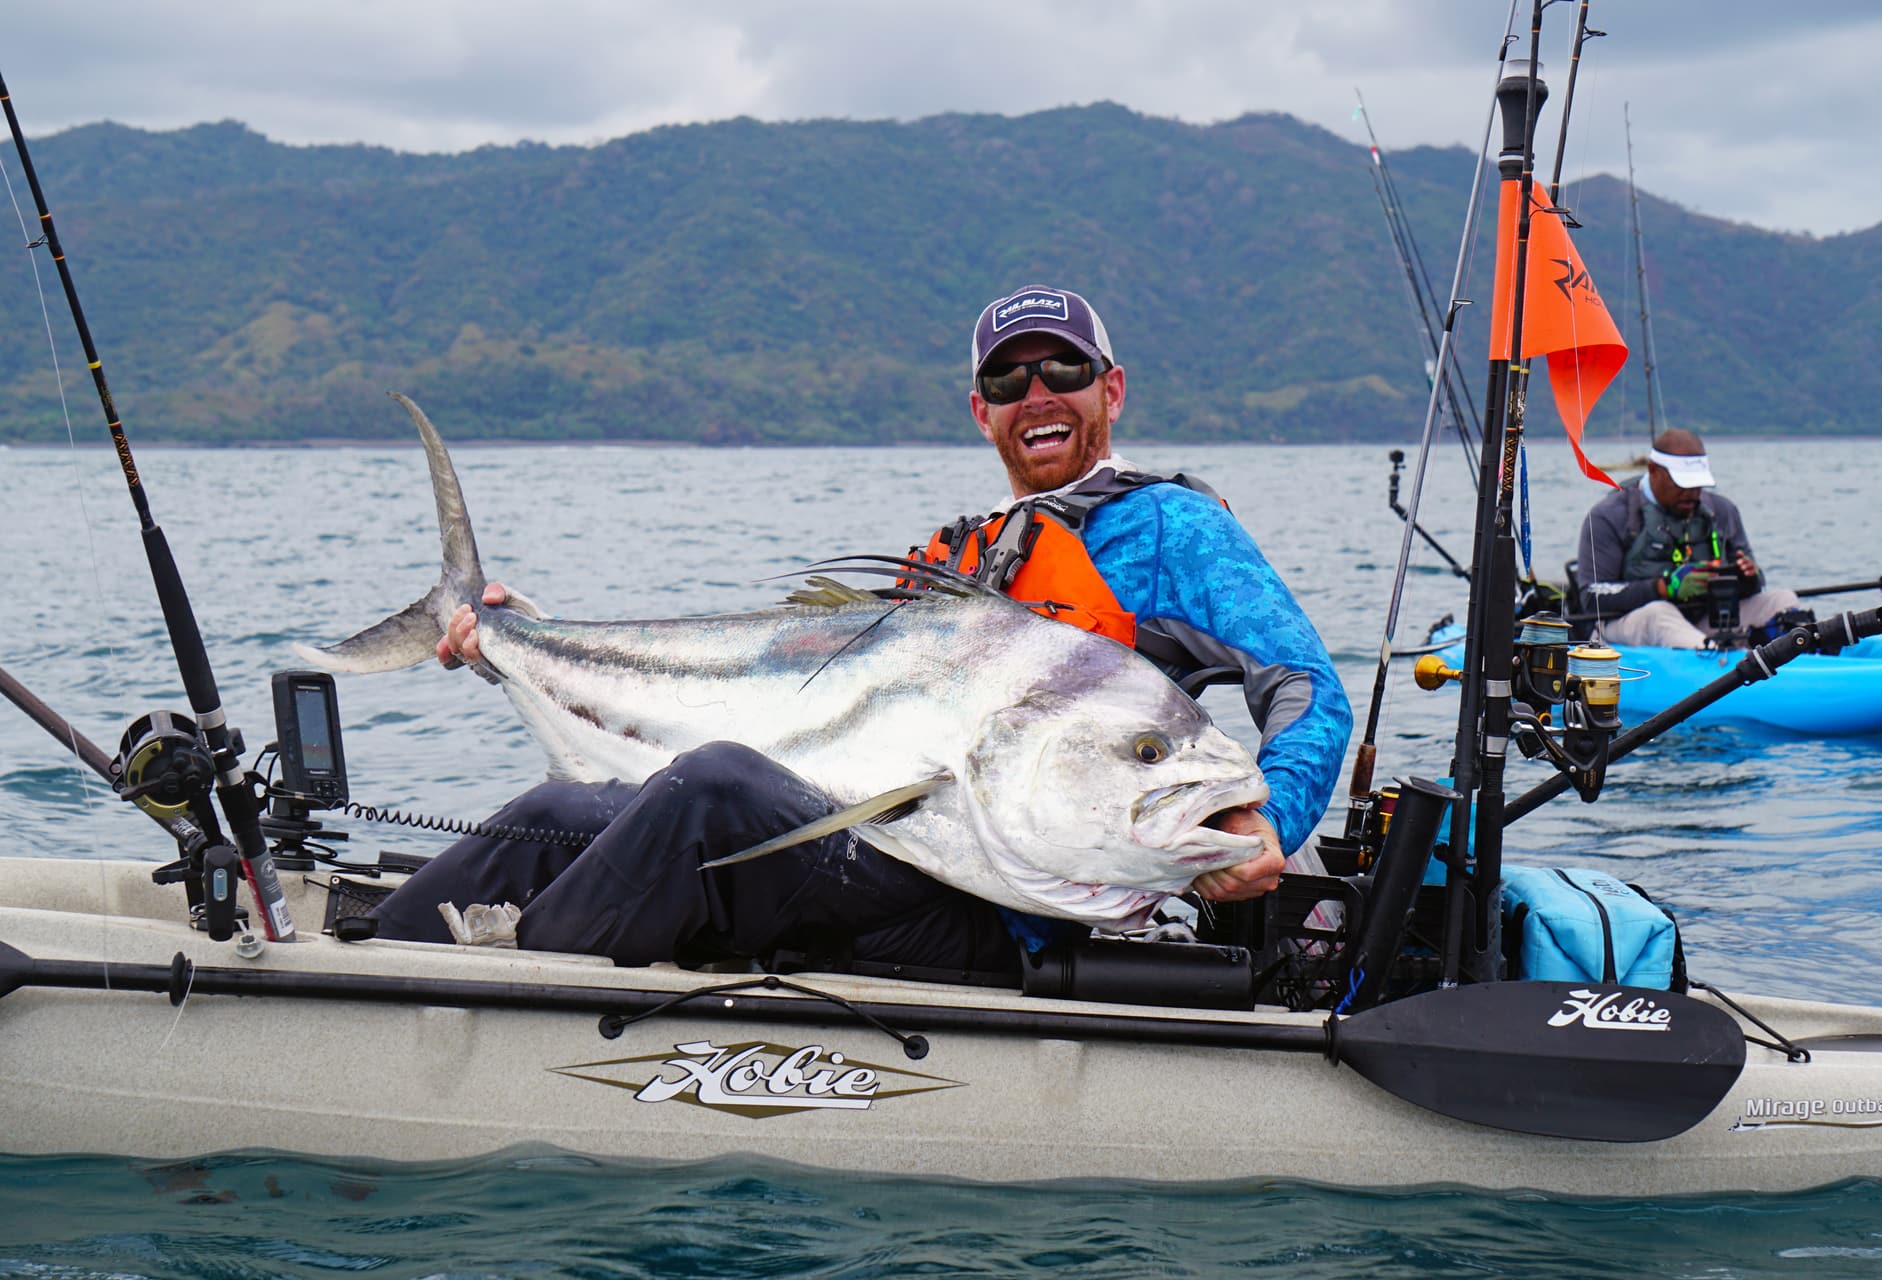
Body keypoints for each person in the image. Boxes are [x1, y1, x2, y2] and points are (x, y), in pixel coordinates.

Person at [370, 284, 1352, 973]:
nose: (1039, 394)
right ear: (983, 410)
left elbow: (1309, 689)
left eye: (1063, 367)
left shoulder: (1173, 531)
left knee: (712, 789)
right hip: (893, 851)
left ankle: (501, 1000)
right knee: (565, 809)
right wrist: (522, 647)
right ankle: (365, 966)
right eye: (1011, 382)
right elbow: (777, 703)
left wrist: (1268, 823)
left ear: (1113, 387)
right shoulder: (954, 560)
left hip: (1015, 916)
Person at [1574, 428, 1799, 648]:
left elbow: (1755, 585)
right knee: (1660, 613)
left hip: (1702, 620)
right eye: (1681, 484)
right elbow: (1590, 598)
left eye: (1697, 484)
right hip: (1628, 624)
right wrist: (1663, 588)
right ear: (1653, 471)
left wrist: (1748, 577)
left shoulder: (1722, 510)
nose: (1691, 493)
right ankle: (1712, 659)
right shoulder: (1608, 516)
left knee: (1783, 600)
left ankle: (1800, 655)